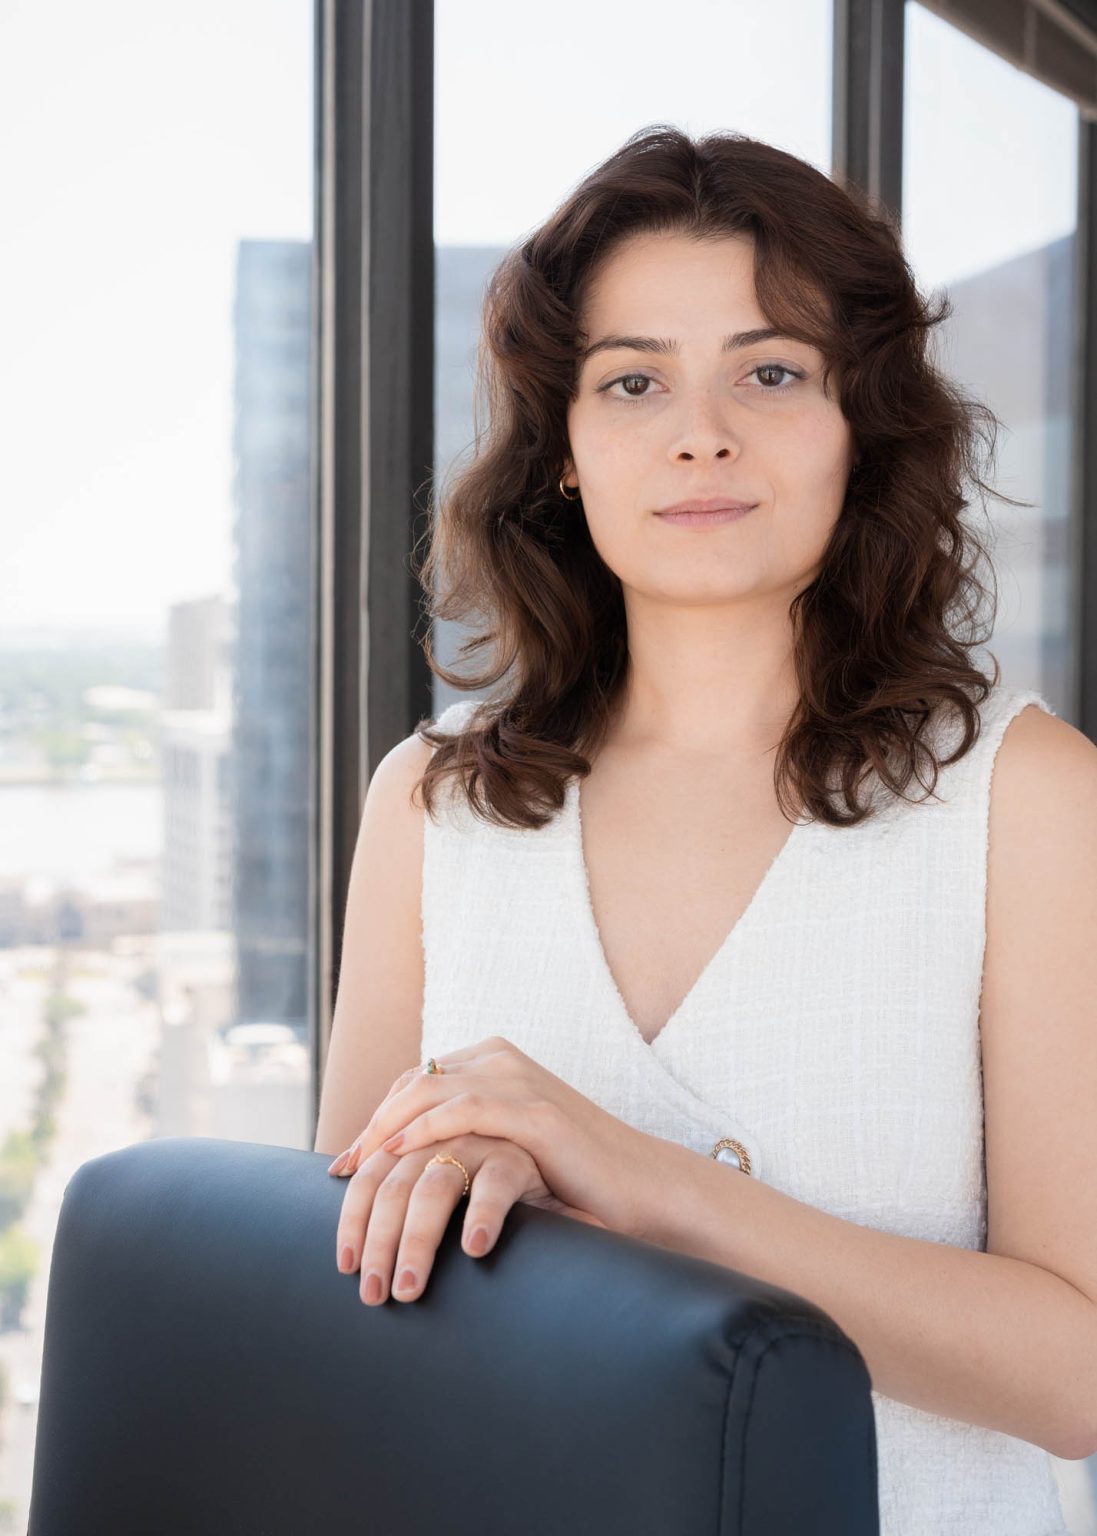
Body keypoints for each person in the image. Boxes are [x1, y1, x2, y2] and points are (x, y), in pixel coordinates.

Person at [314, 125, 1095, 1533]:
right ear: (559, 450)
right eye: (631, 381)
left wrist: (642, 1185)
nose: (699, 431)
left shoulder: (1027, 798)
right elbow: (347, 1281)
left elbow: (1077, 1372)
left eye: (770, 370)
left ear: (862, 424)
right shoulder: (429, 802)